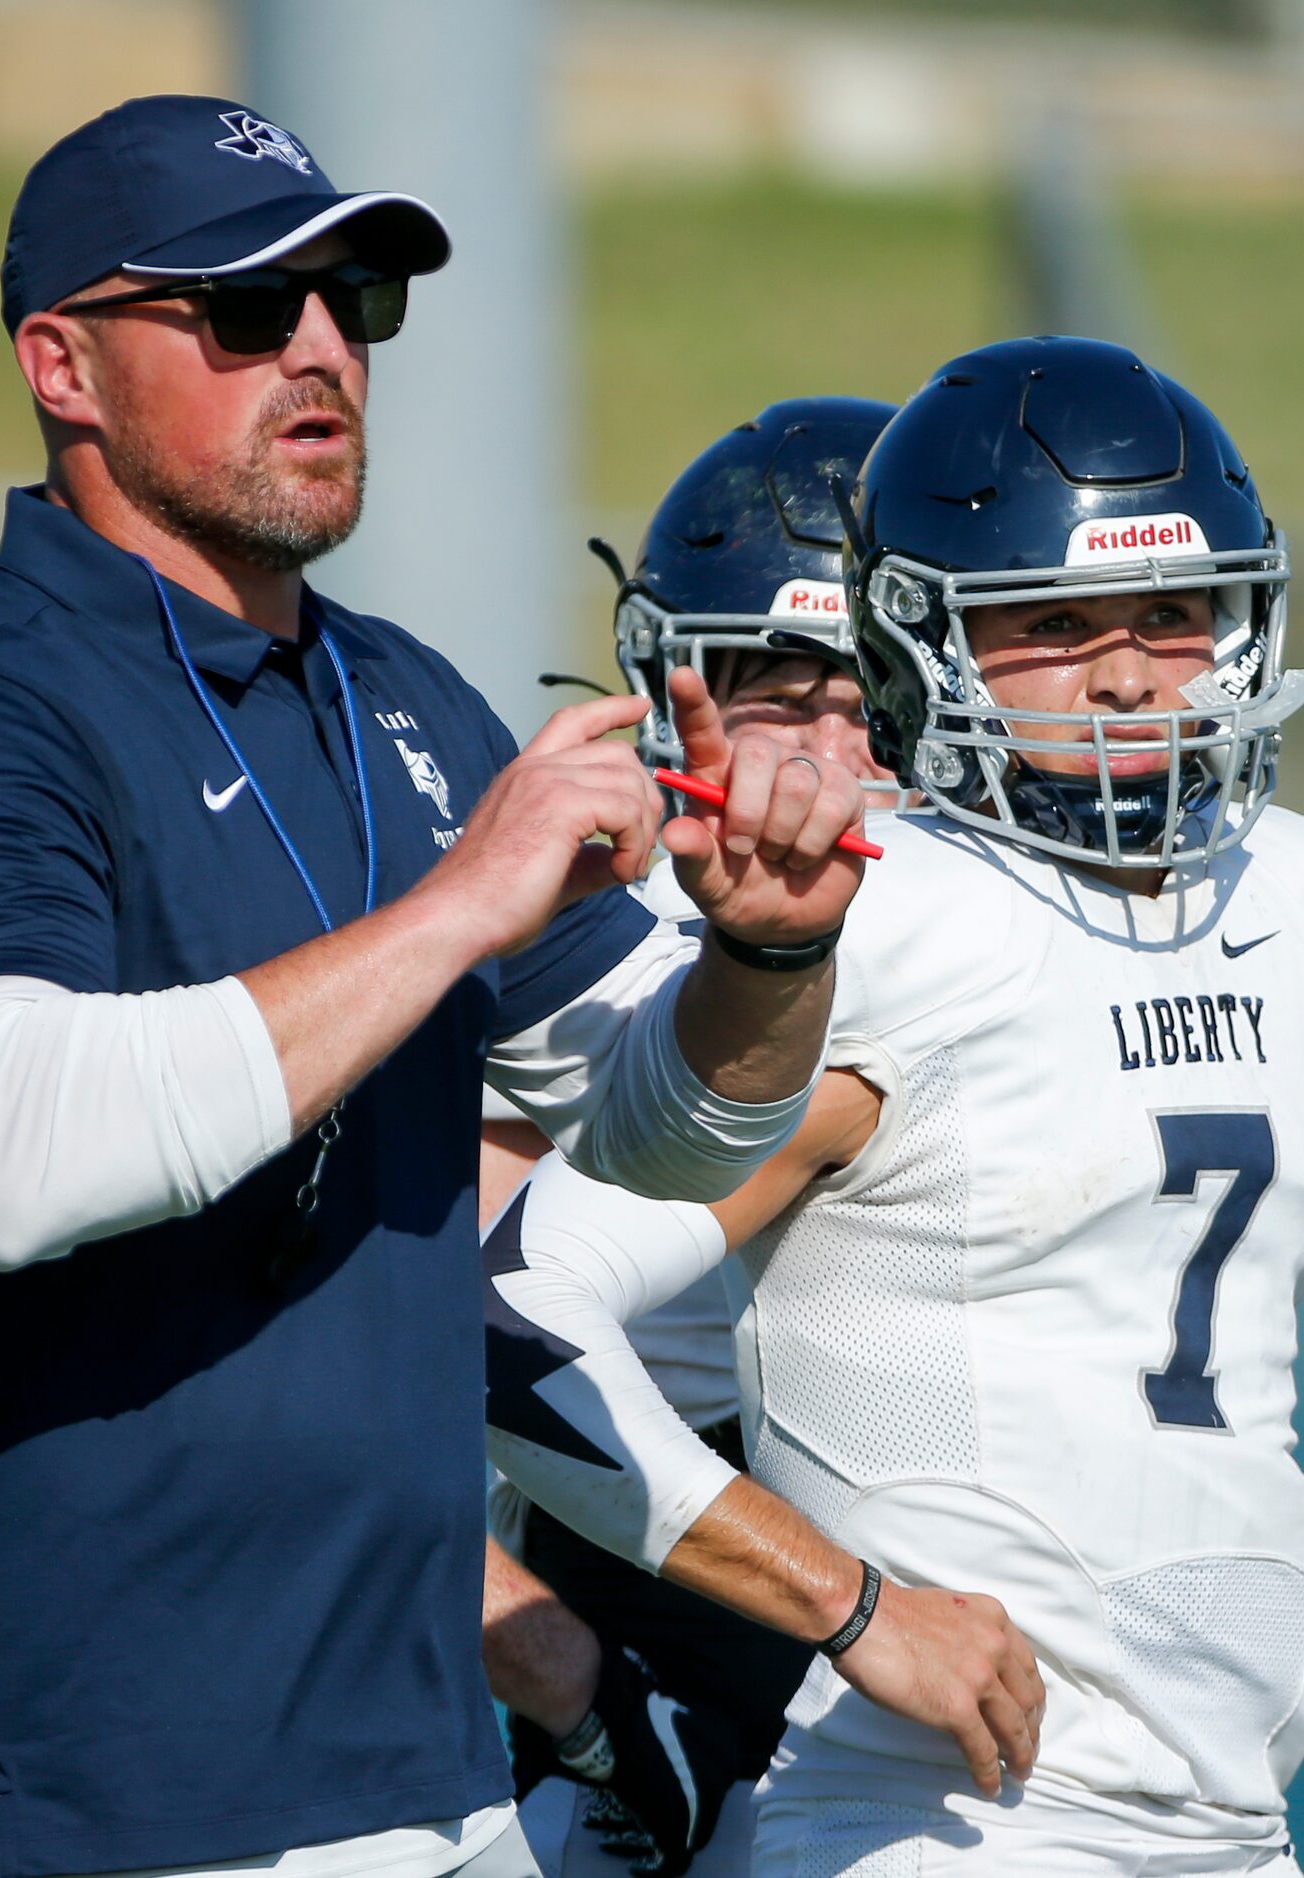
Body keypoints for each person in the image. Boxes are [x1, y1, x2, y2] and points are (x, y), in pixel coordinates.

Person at [0, 93, 897, 1878]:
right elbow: (3, 1161)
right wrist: (461, 904)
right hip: (99, 1798)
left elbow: (669, 1131)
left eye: (351, 298)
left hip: (428, 1773)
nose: (317, 347)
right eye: (241, 308)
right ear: (61, 365)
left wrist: (770, 947)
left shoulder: (409, 702)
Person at [485, 338, 1304, 1875]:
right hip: (943, 1821)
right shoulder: (883, 925)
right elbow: (517, 1313)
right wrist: (852, 1605)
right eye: (1052, 624)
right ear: (930, 647)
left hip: (1237, 1829)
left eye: (1173, 616)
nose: (1127, 672)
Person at [477, 400, 902, 1878]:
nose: (834, 746)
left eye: (879, 691)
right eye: (784, 692)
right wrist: (575, 1681)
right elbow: (415, 1348)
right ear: (677, 684)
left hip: (935, 1562)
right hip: (660, 1583)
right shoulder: (579, 910)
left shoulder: (995, 917)